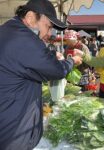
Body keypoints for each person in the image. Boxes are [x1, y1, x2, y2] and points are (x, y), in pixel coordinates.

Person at [0, 0, 82, 150]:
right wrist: (71, 61)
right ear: (31, 17)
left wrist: (49, 55)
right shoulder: (23, 38)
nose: (49, 34)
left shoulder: (8, 31)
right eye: (48, 26)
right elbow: (57, 70)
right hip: (12, 132)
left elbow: (22, 62)